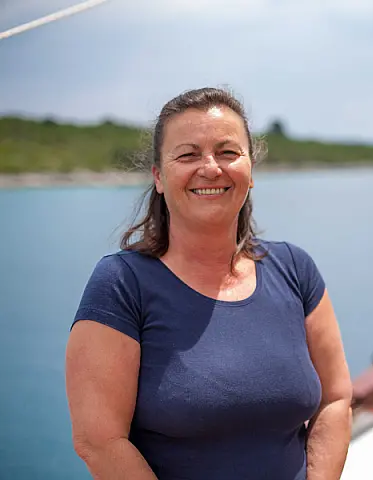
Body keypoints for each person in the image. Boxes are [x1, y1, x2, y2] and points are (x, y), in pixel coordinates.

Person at [65, 87, 353, 479]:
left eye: (227, 152)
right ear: (159, 177)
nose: (211, 168)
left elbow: (335, 399)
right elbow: (99, 441)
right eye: (188, 155)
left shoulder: (295, 269)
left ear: (250, 169)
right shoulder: (122, 284)